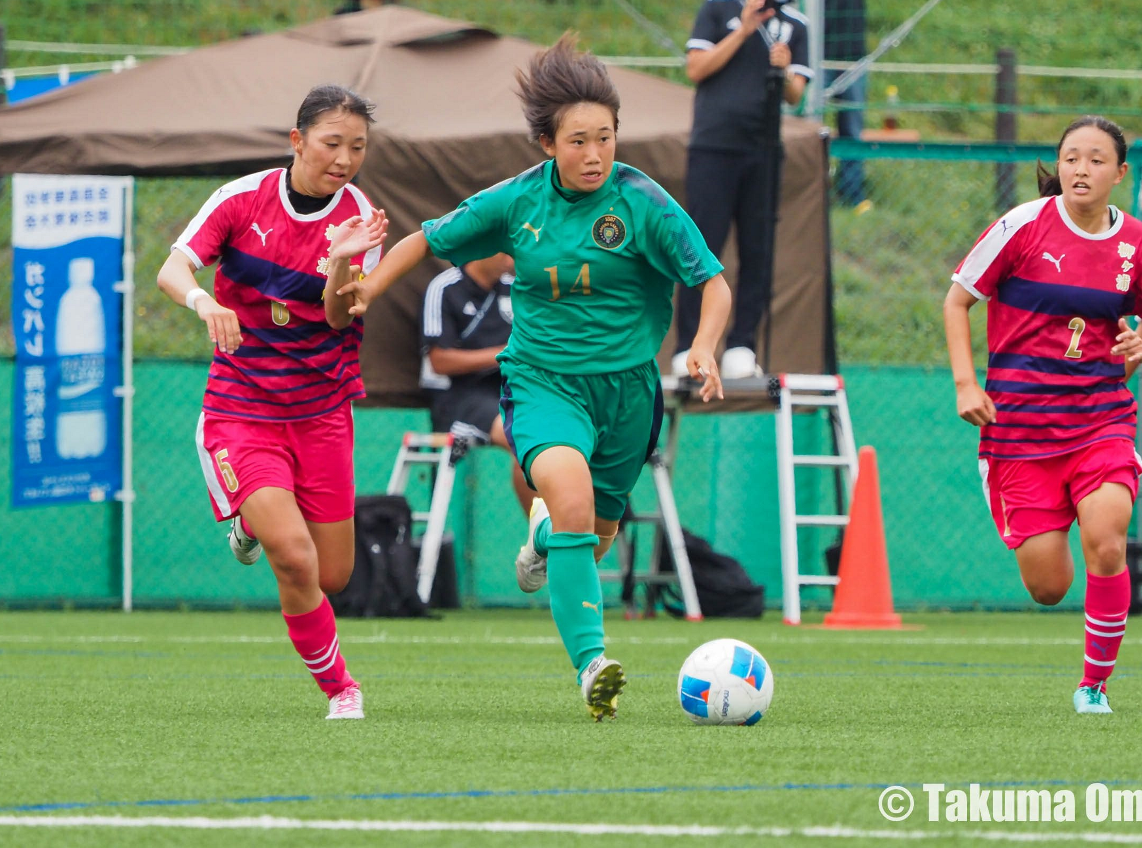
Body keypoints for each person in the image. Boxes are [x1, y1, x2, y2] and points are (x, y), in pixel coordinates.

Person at [338, 35, 732, 720]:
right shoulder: (516, 202)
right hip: (545, 384)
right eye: (578, 141)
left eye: (605, 138)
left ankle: (544, 538)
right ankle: (592, 666)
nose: (594, 154)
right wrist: (368, 290)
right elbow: (424, 239)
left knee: (593, 535)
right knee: (572, 497)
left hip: (629, 395)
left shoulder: (643, 203)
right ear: (547, 144)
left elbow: (714, 283)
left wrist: (702, 345)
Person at [156, 84, 389, 721]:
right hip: (241, 407)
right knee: (293, 554)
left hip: (321, 413)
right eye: (331, 143)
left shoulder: (362, 221)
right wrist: (205, 302)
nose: (344, 159)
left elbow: (341, 319)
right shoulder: (241, 198)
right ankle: (342, 688)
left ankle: (248, 521)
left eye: (358, 148)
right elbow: (174, 269)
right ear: (297, 141)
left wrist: (343, 263)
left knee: (331, 576)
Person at [943, 115, 1142, 715]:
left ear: (1120, 174)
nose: (1082, 169)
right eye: (1072, 157)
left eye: (1097, 159)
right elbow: (957, 299)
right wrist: (966, 383)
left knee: (1107, 542)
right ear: (1060, 165)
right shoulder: (1022, 225)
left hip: (1100, 420)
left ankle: (1093, 686)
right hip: (1020, 432)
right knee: (1049, 587)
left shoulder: (1137, 244)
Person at [674, 0, 811, 381]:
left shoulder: (796, 23)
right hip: (714, 146)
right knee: (701, 244)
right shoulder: (718, 8)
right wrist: (744, 31)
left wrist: (784, 68)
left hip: (765, 151)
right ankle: (691, 343)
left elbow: (796, 95)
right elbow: (696, 67)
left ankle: (742, 345)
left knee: (758, 249)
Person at [421, 252, 534, 514]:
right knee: (527, 438)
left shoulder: (517, 288)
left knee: (562, 431)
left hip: (511, 392)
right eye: (505, 246)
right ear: (484, 245)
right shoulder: (445, 287)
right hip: (458, 398)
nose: (514, 252)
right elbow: (439, 361)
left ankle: (586, 530)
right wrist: (505, 353)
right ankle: (542, 541)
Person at [822, 0, 876, 211]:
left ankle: (852, 193)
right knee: (810, 126)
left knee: (852, 124)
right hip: (816, 54)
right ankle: (813, 194)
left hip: (853, 52)